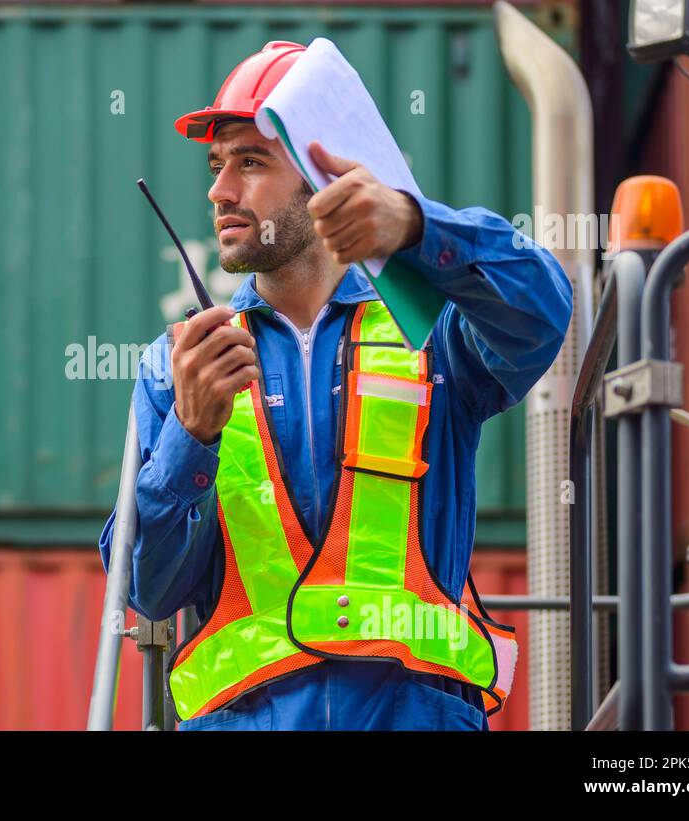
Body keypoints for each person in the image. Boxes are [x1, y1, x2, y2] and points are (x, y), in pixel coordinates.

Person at [98, 41, 572, 730]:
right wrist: (189, 438)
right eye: (215, 164)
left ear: (322, 177)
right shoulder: (178, 366)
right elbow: (149, 588)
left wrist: (415, 225)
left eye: (250, 161)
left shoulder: (434, 334)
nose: (219, 190)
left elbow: (544, 310)